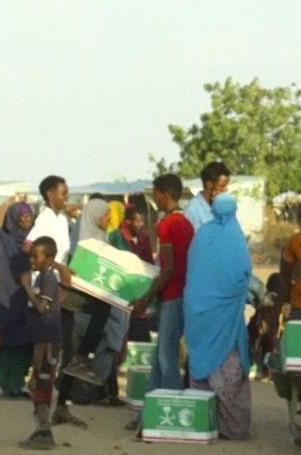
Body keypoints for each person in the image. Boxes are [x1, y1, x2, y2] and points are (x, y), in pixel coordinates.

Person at [126, 174, 194, 433]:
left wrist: (145, 298)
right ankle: (148, 414)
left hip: (171, 296)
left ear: (164, 194)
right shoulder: (186, 223)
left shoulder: (167, 225)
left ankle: (172, 414)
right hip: (182, 294)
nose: (154, 199)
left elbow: (168, 269)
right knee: (158, 358)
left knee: (166, 359)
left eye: (155, 193)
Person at [184, 193, 252, 440]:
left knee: (201, 362)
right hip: (225, 316)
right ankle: (232, 428)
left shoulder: (202, 234)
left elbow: (194, 271)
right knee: (229, 367)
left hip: (198, 312)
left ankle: (203, 424)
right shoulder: (234, 236)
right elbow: (241, 275)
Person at [23, 175, 86, 428]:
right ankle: (43, 409)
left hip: (60, 287)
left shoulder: (61, 219)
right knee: (51, 349)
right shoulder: (45, 219)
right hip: (48, 287)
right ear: (50, 194)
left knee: (66, 346)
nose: (66, 197)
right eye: (63, 193)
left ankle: (59, 405)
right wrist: (57, 266)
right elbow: (28, 245)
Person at [61, 199, 113, 386]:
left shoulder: (101, 236)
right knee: (70, 350)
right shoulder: (82, 237)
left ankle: (82, 361)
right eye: (105, 214)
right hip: (74, 302)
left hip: (89, 301)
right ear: (95, 216)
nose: (108, 218)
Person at [18, 237, 63, 450]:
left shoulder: (48, 279)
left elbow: (43, 308)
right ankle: (42, 430)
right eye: (32, 255)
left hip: (48, 341)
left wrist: (26, 288)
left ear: (50, 258)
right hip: (41, 340)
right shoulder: (42, 278)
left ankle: (45, 431)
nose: (32, 260)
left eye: (36, 256)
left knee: (42, 386)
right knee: (36, 384)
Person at [0, 202, 34, 399]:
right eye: (21, 216)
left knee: (24, 343)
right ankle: (6, 385)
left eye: (29, 216)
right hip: (3, 298)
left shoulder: (33, 240)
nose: (25, 220)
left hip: (25, 297)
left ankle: (17, 384)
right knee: (5, 341)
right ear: (12, 218)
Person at [109, 206, 155, 343]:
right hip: (122, 289)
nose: (140, 224)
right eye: (137, 221)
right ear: (127, 221)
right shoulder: (116, 237)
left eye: (142, 221)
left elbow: (149, 262)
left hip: (139, 289)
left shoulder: (144, 237)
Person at [183, 161, 231, 232]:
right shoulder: (192, 210)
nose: (226, 189)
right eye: (222, 186)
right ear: (209, 184)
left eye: (226, 186)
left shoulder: (222, 208)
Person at [280, 217, 301, 320]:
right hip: (297, 304)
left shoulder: (295, 240)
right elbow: (286, 274)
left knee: (296, 335)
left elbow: (285, 274)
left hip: (298, 303)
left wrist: (285, 301)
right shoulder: (295, 240)